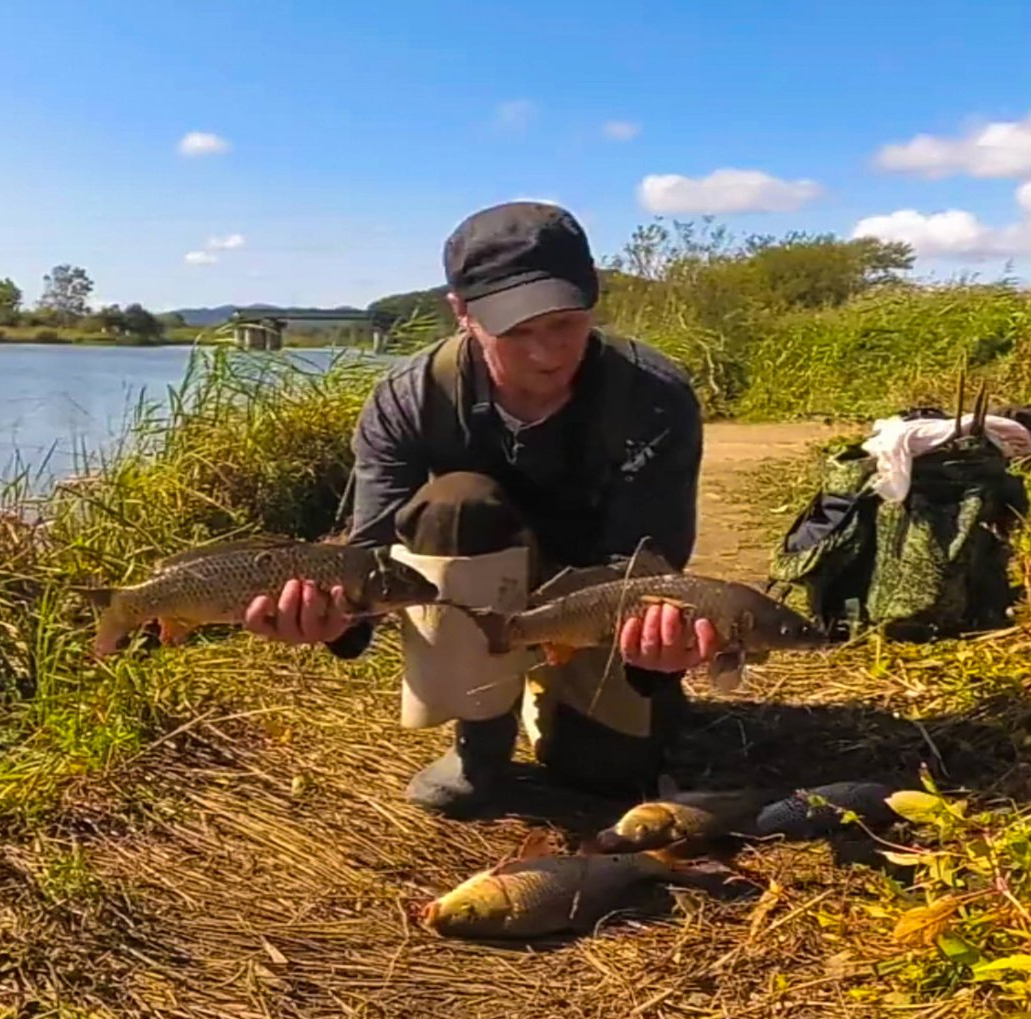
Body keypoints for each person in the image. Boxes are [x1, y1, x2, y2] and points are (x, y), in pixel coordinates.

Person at [242, 200, 715, 816]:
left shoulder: (654, 396)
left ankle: (591, 693)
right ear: (462, 313)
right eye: (516, 332)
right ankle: (481, 738)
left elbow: (650, 563)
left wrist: (654, 651)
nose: (547, 354)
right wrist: (338, 623)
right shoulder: (410, 397)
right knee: (455, 503)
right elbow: (370, 557)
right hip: (473, 579)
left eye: (564, 324)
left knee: (606, 772)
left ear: (592, 300)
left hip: (596, 586)